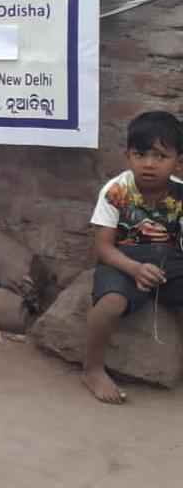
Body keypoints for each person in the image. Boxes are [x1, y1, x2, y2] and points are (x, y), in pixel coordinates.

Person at [83, 110, 183, 403]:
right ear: (127, 156)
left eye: (160, 156)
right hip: (121, 259)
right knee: (110, 304)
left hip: (170, 260)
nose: (149, 164)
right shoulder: (116, 191)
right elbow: (103, 248)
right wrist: (135, 269)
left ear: (178, 161)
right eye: (140, 154)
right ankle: (92, 369)